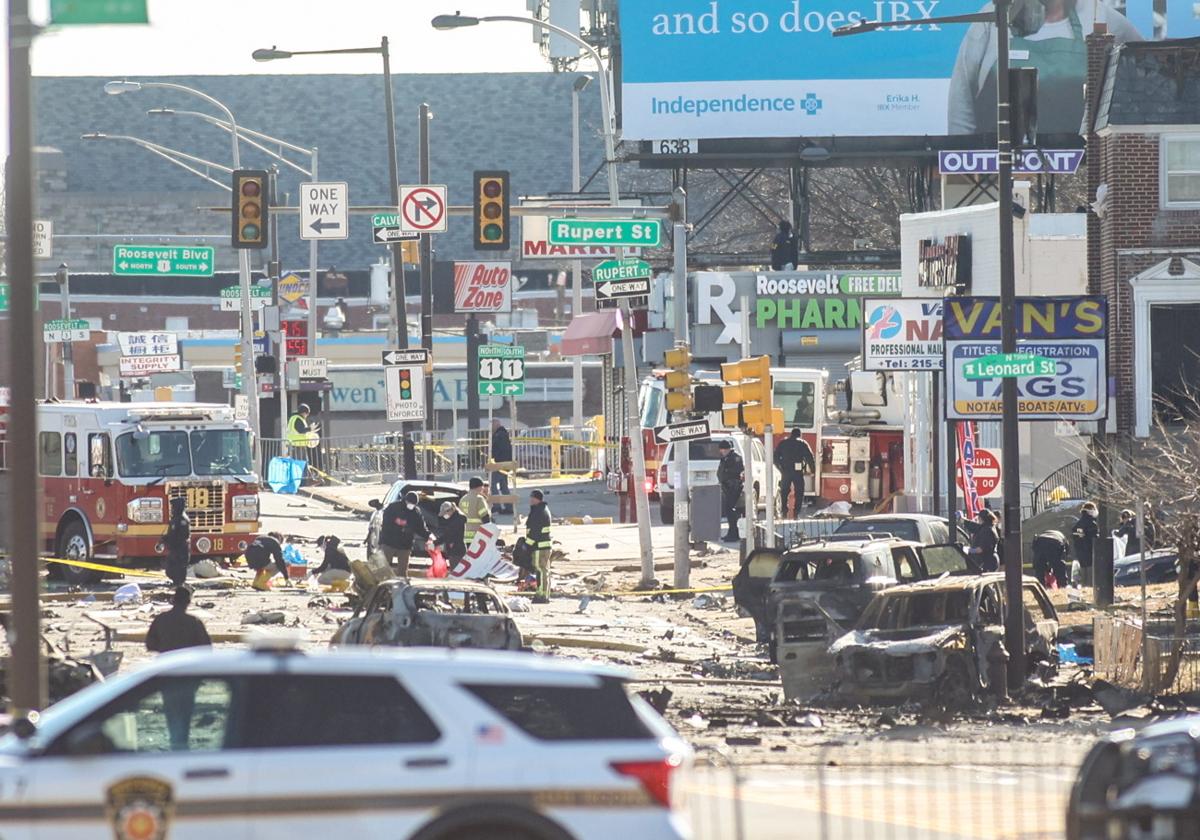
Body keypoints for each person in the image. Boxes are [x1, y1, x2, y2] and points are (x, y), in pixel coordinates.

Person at [947, 0, 1141, 136]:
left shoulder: (1103, 18)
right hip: (996, 163)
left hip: (1081, 166)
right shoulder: (992, 18)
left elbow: (1144, 78)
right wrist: (962, 156)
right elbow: (962, 98)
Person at [146, 586, 211, 751]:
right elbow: (206, 649)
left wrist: (165, 648)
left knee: (171, 709)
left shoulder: (161, 620)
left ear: (173, 600)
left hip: (167, 671)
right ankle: (182, 743)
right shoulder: (194, 622)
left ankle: (175, 741)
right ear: (188, 602)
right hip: (189, 674)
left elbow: (150, 644)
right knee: (185, 711)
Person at [377, 491, 430, 576]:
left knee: (403, 571)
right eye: (410, 503)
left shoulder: (416, 512)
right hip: (389, 542)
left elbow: (420, 528)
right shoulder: (393, 507)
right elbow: (385, 523)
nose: (411, 505)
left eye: (414, 504)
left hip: (405, 545)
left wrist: (429, 536)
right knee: (383, 568)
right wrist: (396, 523)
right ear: (405, 500)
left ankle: (402, 586)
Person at [774, 428, 815, 519]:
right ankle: (796, 513)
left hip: (785, 471)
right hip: (797, 471)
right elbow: (810, 457)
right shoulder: (802, 443)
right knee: (799, 492)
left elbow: (775, 457)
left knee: (784, 492)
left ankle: (784, 511)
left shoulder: (783, 443)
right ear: (799, 434)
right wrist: (813, 470)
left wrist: (780, 468)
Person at [526, 489, 553, 603]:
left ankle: (541, 595)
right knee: (543, 571)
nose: (531, 500)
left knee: (540, 571)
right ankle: (543, 594)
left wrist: (528, 545)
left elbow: (535, 531)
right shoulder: (540, 509)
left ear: (538, 499)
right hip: (543, 546)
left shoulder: (539, 512)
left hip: (539, 547)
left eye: (533, 498)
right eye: (530, 497)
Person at [717, 440, 745, 543]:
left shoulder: (735, 457)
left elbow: (738, 470)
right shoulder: (725, 458)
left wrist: (727, 474)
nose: (722, 451)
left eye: (724, 449)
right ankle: (731, 532)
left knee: (732, 512)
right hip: (726, 488)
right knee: (728, 511)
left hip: (734, 488)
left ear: (728, 449)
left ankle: (734, 533)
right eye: (721, 449)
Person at [1071, 501, 1100, 587]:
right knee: (1091, 572)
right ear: (1091, 510)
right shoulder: (1091, 524)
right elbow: (1094, 539)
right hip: (1090, 551)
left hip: (1080, 552)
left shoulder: (1078, 524)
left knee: (1083, 572)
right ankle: (1091, 587)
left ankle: (1084, 587)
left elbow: (1076, 538)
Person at [163, 496, 191, 587]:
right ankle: (176, 583)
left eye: (174, 507)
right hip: (174, 549)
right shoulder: (175, 518)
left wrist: (173, 543)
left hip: (180, 549)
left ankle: (179, 585)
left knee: (179, 568)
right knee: (170, 568)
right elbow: (171, 532)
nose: (172, 509)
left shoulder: (183, 520)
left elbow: (182, 535)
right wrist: (165, 539)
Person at [433, 501, 468, 570]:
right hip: (453, 550)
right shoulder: (452, 519)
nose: (444, 516)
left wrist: (435, 543)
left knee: (456, 572)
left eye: (444, 514)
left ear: (450, 511)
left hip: (457, 551)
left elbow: (448, 535)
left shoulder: (457, 520)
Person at [490, 419, 514, 514]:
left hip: (499, 463)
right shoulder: (504, 434)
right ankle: (509, 507)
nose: (490, 428)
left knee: (493, 485)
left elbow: (496, 450)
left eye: (492, 426)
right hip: (505, 464)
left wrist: (493, 459)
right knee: (504, 486)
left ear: (495, 425)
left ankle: (497, 506)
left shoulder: (498, 436)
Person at [462, 477, 491, 550]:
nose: (482, 489)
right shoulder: (479, 499)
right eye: (482, 487)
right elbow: (485, 517)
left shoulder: (463, 499)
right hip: (478, 534)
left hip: (465, 535)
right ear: (479, 487)